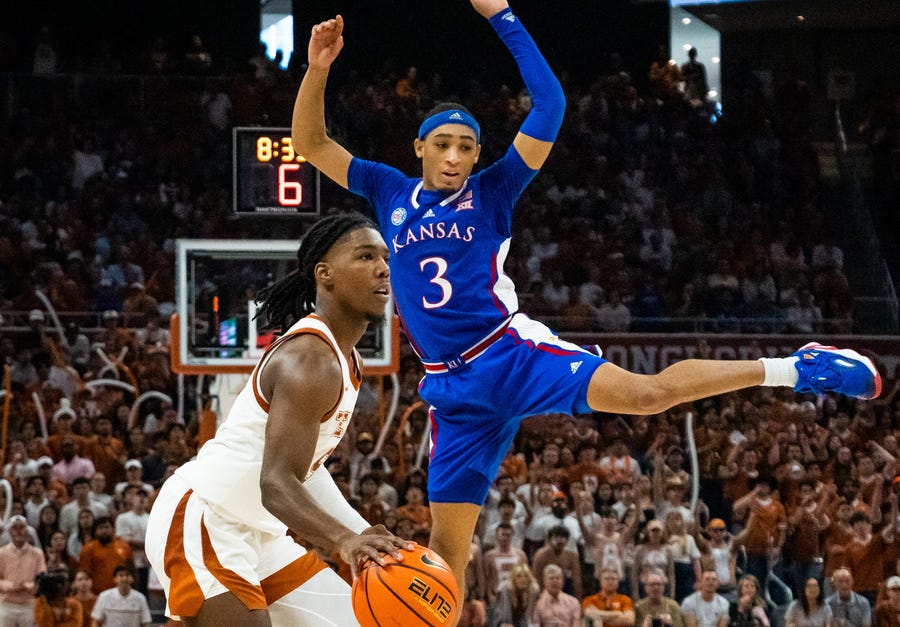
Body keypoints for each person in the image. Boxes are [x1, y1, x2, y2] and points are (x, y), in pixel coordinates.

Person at [291, 0, 882, 597]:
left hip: (509, 354)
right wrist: (317, 69)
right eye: (442, 144)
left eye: (466, 147)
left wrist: (501, 13)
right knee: (446, 563)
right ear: (418, 148)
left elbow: (551, 105)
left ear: (476, 155)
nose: (454, 156)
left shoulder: (495, 189)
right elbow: (310, 143)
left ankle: (794, 368)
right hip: (452, 391)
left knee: (647, 396)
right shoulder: (387, 189)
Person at [144, 213, 410, 626]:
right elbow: (276, 483)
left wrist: (362, 532)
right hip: (206, 518)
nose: (382, 268)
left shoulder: (347, 359)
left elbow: (307, 471)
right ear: (325, 274)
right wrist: (343, 541)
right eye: (364, 256)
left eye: (384, 258)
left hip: (260, 535)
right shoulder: (309, 360)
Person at [0, 515, 47, 627]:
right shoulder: (1, 553)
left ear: (27, 530)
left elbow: (42, 579)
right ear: (10, 531)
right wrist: (11, 586)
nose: (18, 531)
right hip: (6, 604)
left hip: (29, 604)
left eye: (21, 527)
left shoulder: (37, 553)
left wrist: (26, 586)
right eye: (15, 528)